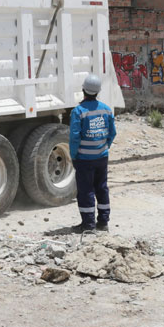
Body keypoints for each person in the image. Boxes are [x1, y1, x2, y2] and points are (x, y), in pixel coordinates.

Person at [69, 72, 116, 234]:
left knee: (86, 190)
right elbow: (112, 133)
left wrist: (74, 155)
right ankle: (103, 222)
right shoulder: (106, 110)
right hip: (102, 158)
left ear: (83, 90)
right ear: (97, 91)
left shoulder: (78, 111)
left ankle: (88, 225)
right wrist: (104, 147)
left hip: (84, 159)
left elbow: (75, 138)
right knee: (102, 188)